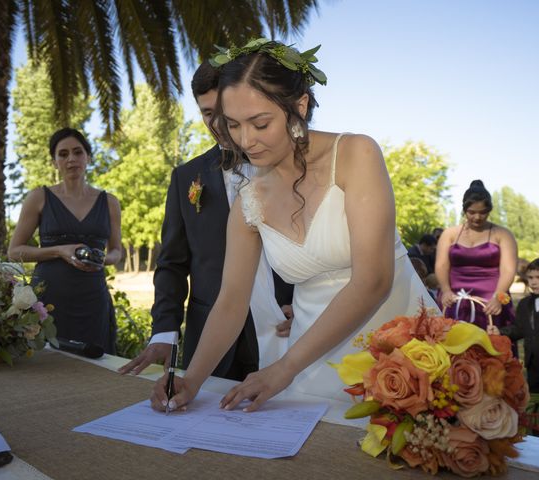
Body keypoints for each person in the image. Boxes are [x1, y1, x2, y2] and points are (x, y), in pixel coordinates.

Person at [150, 38, 437, 413]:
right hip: (312, 362)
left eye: (260, 123)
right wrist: (192, 379)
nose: (245, 140)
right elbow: (231, 302)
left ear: (298, 106)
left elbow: (373, 281)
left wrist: (283, 367)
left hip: (402, 345)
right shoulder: (248, 202)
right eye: (233, 125)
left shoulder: (356, 155)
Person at [119, 61, 294, 381]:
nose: (216, 123)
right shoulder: (185, 177)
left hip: (284, 334)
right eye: (206, 113)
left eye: (222, 110)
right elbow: (172, 263)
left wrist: (303, 306)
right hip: (210, 341)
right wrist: (164, 332)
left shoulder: (289, 167)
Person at [8, 128, 122, 354]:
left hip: (93, 298)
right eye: (63, 154)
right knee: (47, 368)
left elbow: (117, 250)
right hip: (48, 299)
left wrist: (104, 259)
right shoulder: (38, 198)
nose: (71, 159)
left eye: (78, 152)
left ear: (88, 157)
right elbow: (14, 251)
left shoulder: (109, 202)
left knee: (97, 367)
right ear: (54, 162)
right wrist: (60, 251)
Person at [435, 180, 517, 330]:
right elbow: (441, 265)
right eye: (472, 212)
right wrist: (446, 290)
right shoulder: (450, 234)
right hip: (453, 297)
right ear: (464, 210)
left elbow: (508, 269)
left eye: (483, 212)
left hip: (491, 299)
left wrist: (498, 297)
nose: (477, 217)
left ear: (489, 210)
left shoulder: (503, 234)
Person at [488, 256, 539, 398]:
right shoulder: (525, 304)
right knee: (538, 402)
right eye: (530, 277)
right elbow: (519, 328)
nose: (533, 282)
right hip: (533, 365)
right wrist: (500, 332)